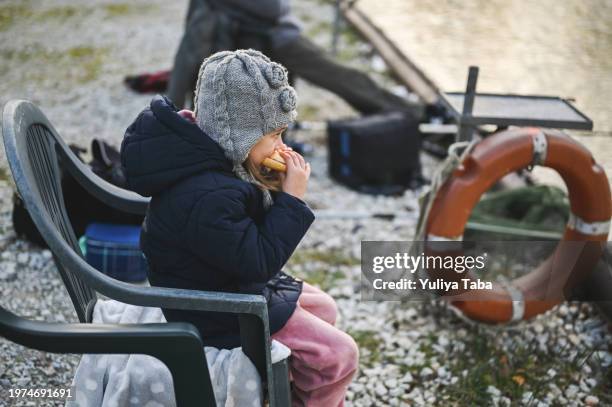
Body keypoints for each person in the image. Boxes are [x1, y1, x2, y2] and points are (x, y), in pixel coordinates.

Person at [120, 49, 359, 406]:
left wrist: (270, 188)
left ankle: (286, 389)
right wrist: (291, 201)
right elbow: (259, 260)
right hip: (220, 311)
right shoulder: (207, 195)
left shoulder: (210, 162)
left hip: (224, 282)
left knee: (325, 307)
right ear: (240, 134)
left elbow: (240, 239)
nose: (282, 146)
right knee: (339, 355)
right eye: (275, 135)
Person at [126, 0, 424, 119]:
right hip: (268, 39)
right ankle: (409, 113)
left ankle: (406, 111)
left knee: (342, 76)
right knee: (338, 76)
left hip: (273, 37)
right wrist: (172, 111)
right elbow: (272, 9)